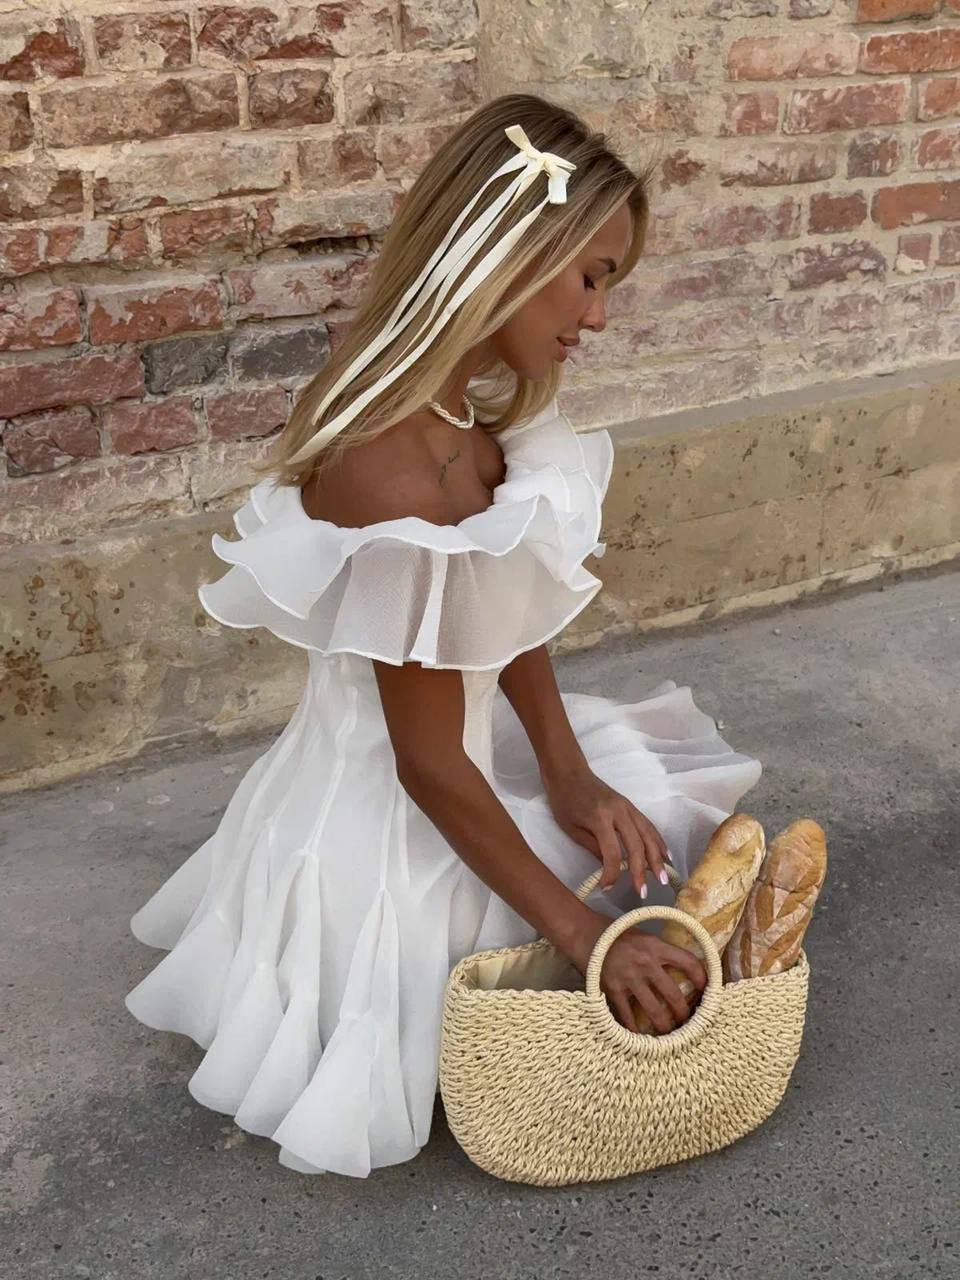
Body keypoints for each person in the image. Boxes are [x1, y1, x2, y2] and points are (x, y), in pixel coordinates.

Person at [124, 93, 763, 1178]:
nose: (597, 317)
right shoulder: (390, 462)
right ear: (507, 251)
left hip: (459, 763)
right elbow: (425, 763)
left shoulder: (469, 412)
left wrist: (565, 770)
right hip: (393, 810)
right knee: (599, 927)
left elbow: (494, 614)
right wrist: (582, 934)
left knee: (639, 824)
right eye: (591, 275)